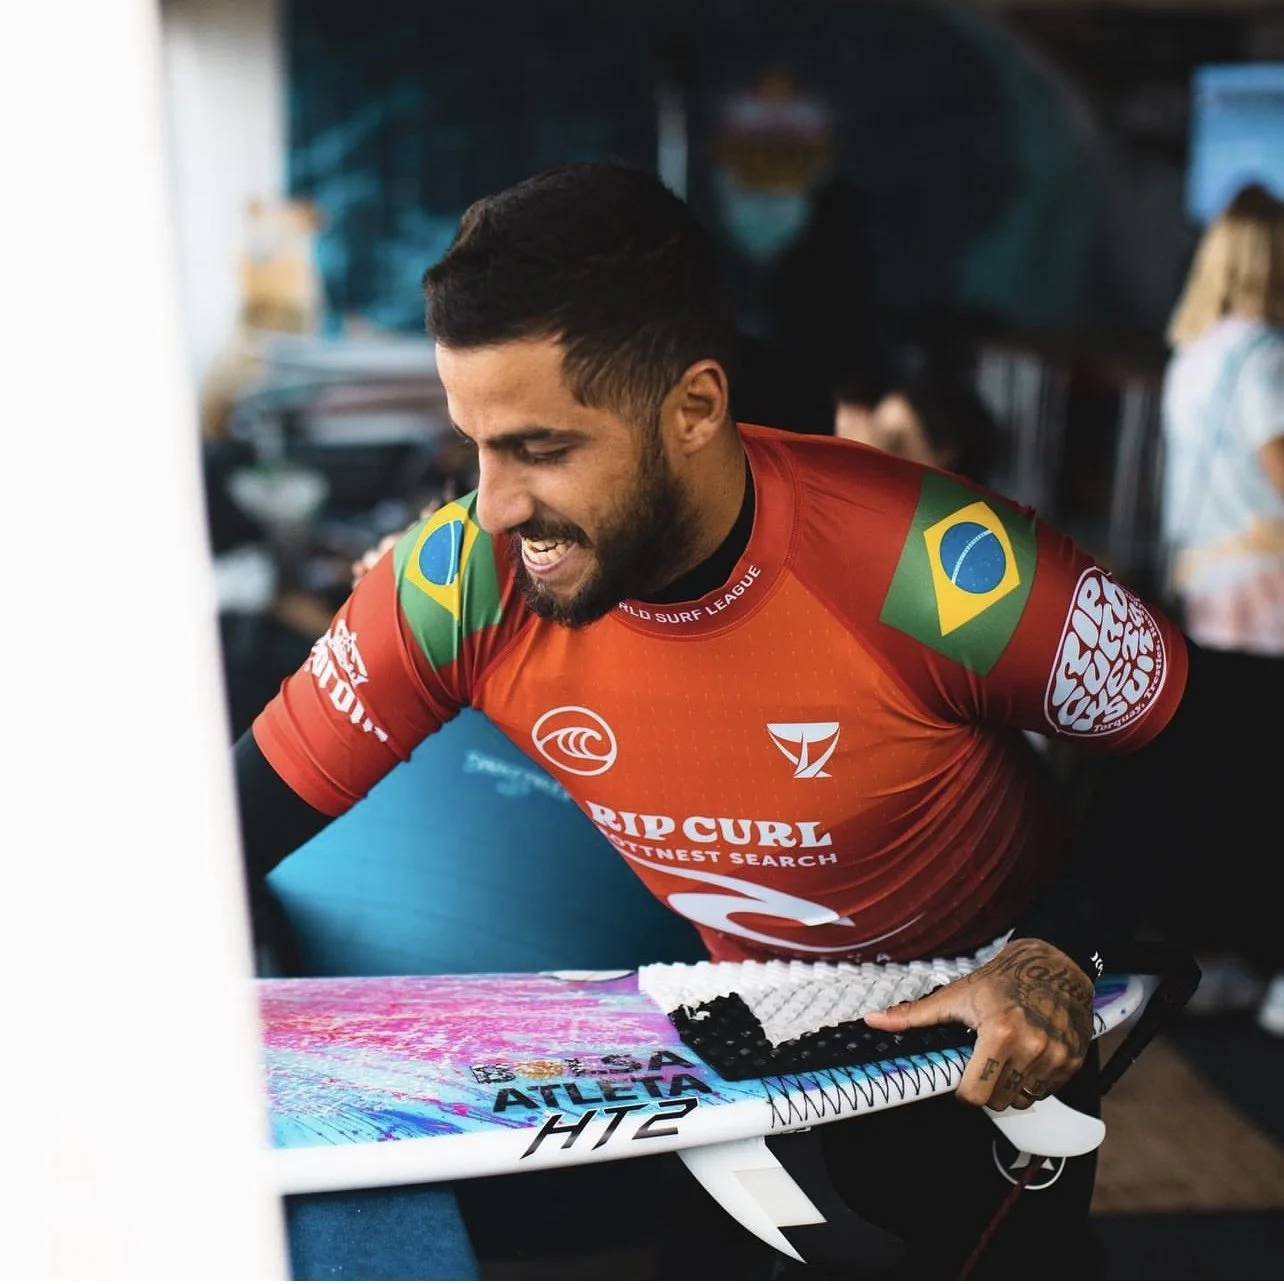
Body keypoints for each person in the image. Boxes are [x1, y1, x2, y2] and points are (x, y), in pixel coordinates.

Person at [234, 159, 1215, 1279]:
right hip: (736, 1024)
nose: (492, 504)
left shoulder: (930, 565)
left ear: (696, 408)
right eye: (476, 443)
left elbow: (1189, 732)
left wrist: (1062, 951)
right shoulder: (460, 578)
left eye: (541, 449)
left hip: (981, 1033)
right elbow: (232, 825)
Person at [1157, 180, 1284, 1037]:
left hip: (1205, 597)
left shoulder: (1192, 354)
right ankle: (1262, 965)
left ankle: (1219, 959)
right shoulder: (1267, 355)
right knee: (1266, 796)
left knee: (1225, 788)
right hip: (1267, 607)